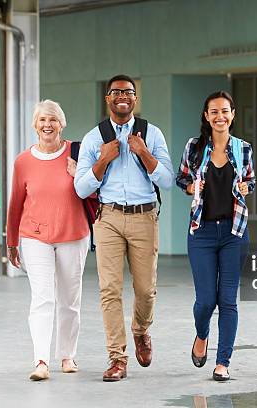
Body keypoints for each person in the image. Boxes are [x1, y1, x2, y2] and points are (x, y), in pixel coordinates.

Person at [74, 74, 174, 382]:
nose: (123, 96)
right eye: (116, 92)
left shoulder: (152, 133)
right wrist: (102, 161)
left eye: (128, 92)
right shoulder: (95, 138)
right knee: (109, 290)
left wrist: (144, 153)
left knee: (145, 290)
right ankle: (117, 358)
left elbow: (168, 180)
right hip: (109, 218)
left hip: (145, 216)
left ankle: (141, 330)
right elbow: (80, 188)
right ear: (107, 99)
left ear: (135, 98)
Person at [6, 100, 90, 381]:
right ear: (34, 125)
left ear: (62, 124)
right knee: (42, 299)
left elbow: (96, 194)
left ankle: (67, 355)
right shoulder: (23, 162)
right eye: (42, 119)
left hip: (73, 233)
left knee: (69, 299)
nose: (47, 125)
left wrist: (79, 174)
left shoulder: (78, 155)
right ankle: (40, 360)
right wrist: (12, 241)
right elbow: (16, 203)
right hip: (35, 236)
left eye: (53, 119)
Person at [176, 91, 254, 381]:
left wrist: (247, 188)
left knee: (228, 300)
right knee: (206, 301)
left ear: (232, 114)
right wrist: (192, 188)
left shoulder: (242, 148)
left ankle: (223, 362)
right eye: (214, 112)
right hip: (202, 232)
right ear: (206, 116)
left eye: (225, 111)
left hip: (234, 231)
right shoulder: (195, 147)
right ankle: (201, 334)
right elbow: (182, 178)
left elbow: (250, 180)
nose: (220, 116)